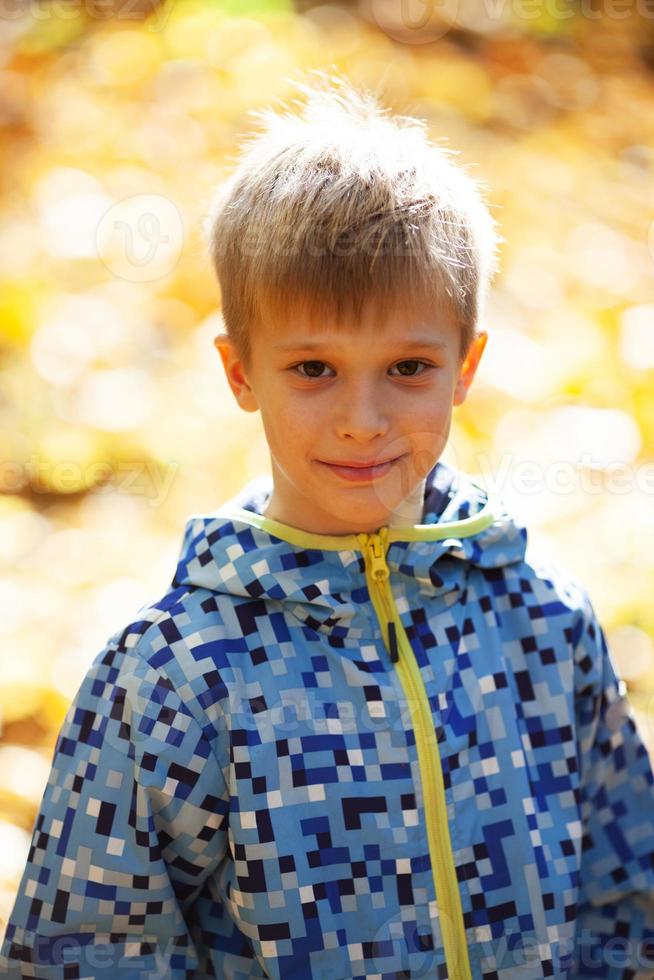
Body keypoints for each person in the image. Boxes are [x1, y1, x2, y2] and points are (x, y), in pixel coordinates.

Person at [2, 70, 654, 980]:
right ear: (239, 373)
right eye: (313, 368)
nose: (362, 418)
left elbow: (625, 899)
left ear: (466, 367)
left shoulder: (544, 623)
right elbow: (88, 952)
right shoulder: (174, 678)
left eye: (407, 367)